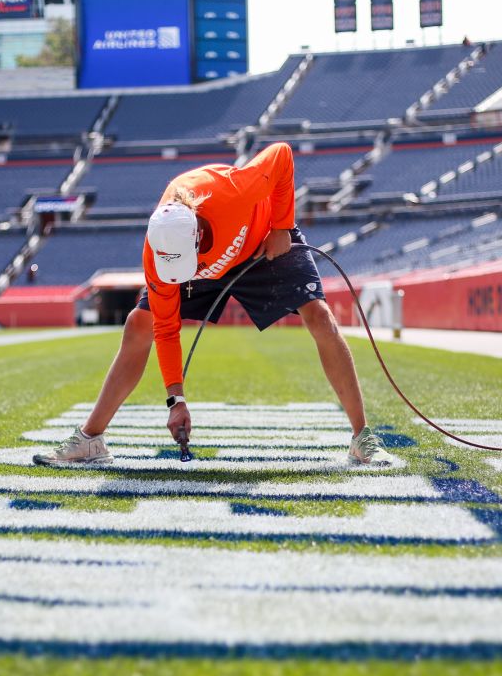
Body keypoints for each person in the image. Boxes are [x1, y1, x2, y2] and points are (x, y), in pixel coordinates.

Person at [33, 142, 394, 467]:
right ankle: (90, 439)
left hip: (261, 241)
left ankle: (361, 437)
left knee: (319, 317)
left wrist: (281, 226)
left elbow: (282, 155)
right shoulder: (159, 251)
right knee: (138, 324)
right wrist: (176, 399)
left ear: (198, 234)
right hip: (212, 256)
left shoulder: (233, 191)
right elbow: (166, 327)